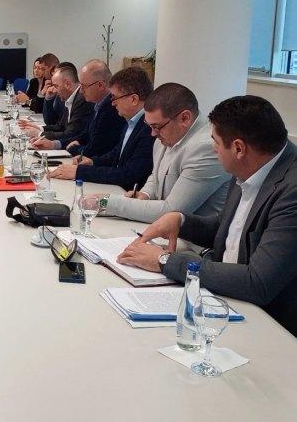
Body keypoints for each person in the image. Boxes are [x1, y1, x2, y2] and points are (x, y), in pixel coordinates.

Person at [118, 95, 297, 337]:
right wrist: (180, 221)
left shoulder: (291, 191)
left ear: (239, 148)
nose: (213, 149)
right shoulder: (249, 165)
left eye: (216, 142)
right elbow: (226, 228)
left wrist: (164, 261)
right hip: (222, 300)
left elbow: (257, 282)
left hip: (270, 326)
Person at [103, 82, 229, 223]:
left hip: (193, 236)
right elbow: (157, 174)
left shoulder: (207, 148)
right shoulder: (167, 133)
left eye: (156, 127)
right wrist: (146, 194)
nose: (152, 133)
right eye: (149, 126)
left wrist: (105, 203)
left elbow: (171, 211)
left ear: (185, 118)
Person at [49, 66, 154, 191]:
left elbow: (130, 175)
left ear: (133, 99)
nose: (112, 102)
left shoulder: (149, 128)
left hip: (128, 194)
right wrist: (93, 162)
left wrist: (80, 172)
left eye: (115, 97)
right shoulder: (131, 120)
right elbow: (117, 153)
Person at [31, 59, 125, 159]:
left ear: (100, 85)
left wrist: (73, 148)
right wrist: (55, 144)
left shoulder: (111, 109)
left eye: (84, 86)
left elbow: (94, 150)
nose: (80, 90)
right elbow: (85, 135)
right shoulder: (97, 104)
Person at [19, 62, 92, 143]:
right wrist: (40, 128)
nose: (55, 91)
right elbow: (61, 126)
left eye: (56, 86)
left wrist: (40, 134)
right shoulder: (69, 97)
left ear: (67, 84)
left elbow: (72, 134)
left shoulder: (81, 100)